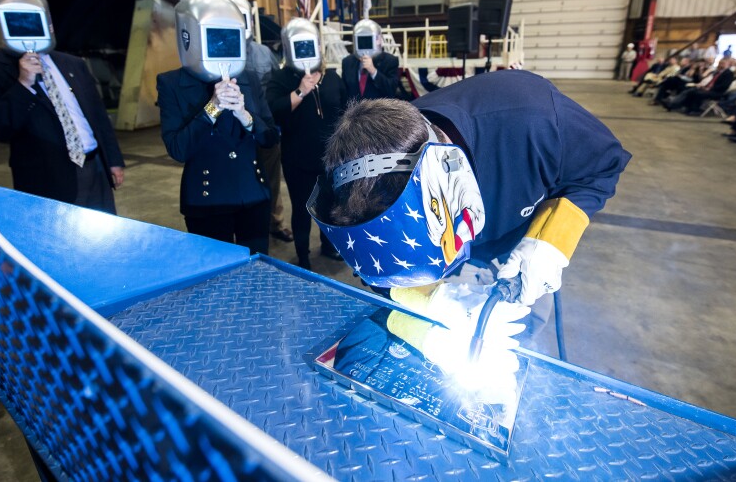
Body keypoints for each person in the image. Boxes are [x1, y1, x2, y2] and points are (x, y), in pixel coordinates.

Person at [308, 70, 630, 350]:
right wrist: (428, 312)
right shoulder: (365, 177)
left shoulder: (535, 119)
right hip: (444, 244)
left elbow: (602, 166)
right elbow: (384, 270)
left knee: (517, 329)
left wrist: (548, 242)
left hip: (519, 238)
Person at [0, 0, 125, 213]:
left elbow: (97, 115)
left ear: (49, 24)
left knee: (106, 233)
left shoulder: (72, 63)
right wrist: (24, 84)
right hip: (48, 177)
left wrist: (113, 160)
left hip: (96, 167)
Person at [157, 0, 278, 253]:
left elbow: (271, 136)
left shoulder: (249, 78)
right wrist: (212, 108)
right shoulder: (171, 83)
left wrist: (245, 116)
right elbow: (178, 149)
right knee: (216, 278)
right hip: (206, 200)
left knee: (256, 271)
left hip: (252, 193)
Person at [267, 18, 348, 269]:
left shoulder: (332, 77)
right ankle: (302, 254)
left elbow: (346, 111)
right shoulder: (281, 79)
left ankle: (328, 246)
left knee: (328, 206)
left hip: (330, 159)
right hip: (297, 159)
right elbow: (274, 111)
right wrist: (300, 91)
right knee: (302, 210)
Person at [225, 0, 293, 244]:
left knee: (271, 181)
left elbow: (277, 89)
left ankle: (275, 222)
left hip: (264, 131)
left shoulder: (264, 53)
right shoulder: (214, 52)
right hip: (232, 136)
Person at [341, 19, 400, 101]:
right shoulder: (347, 62)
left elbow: (391, 91)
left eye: (369, 39)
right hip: (355, 112)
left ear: (379, 39)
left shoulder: (390, 61)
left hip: (379, 111)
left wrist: (373, 71)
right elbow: (344, 93)